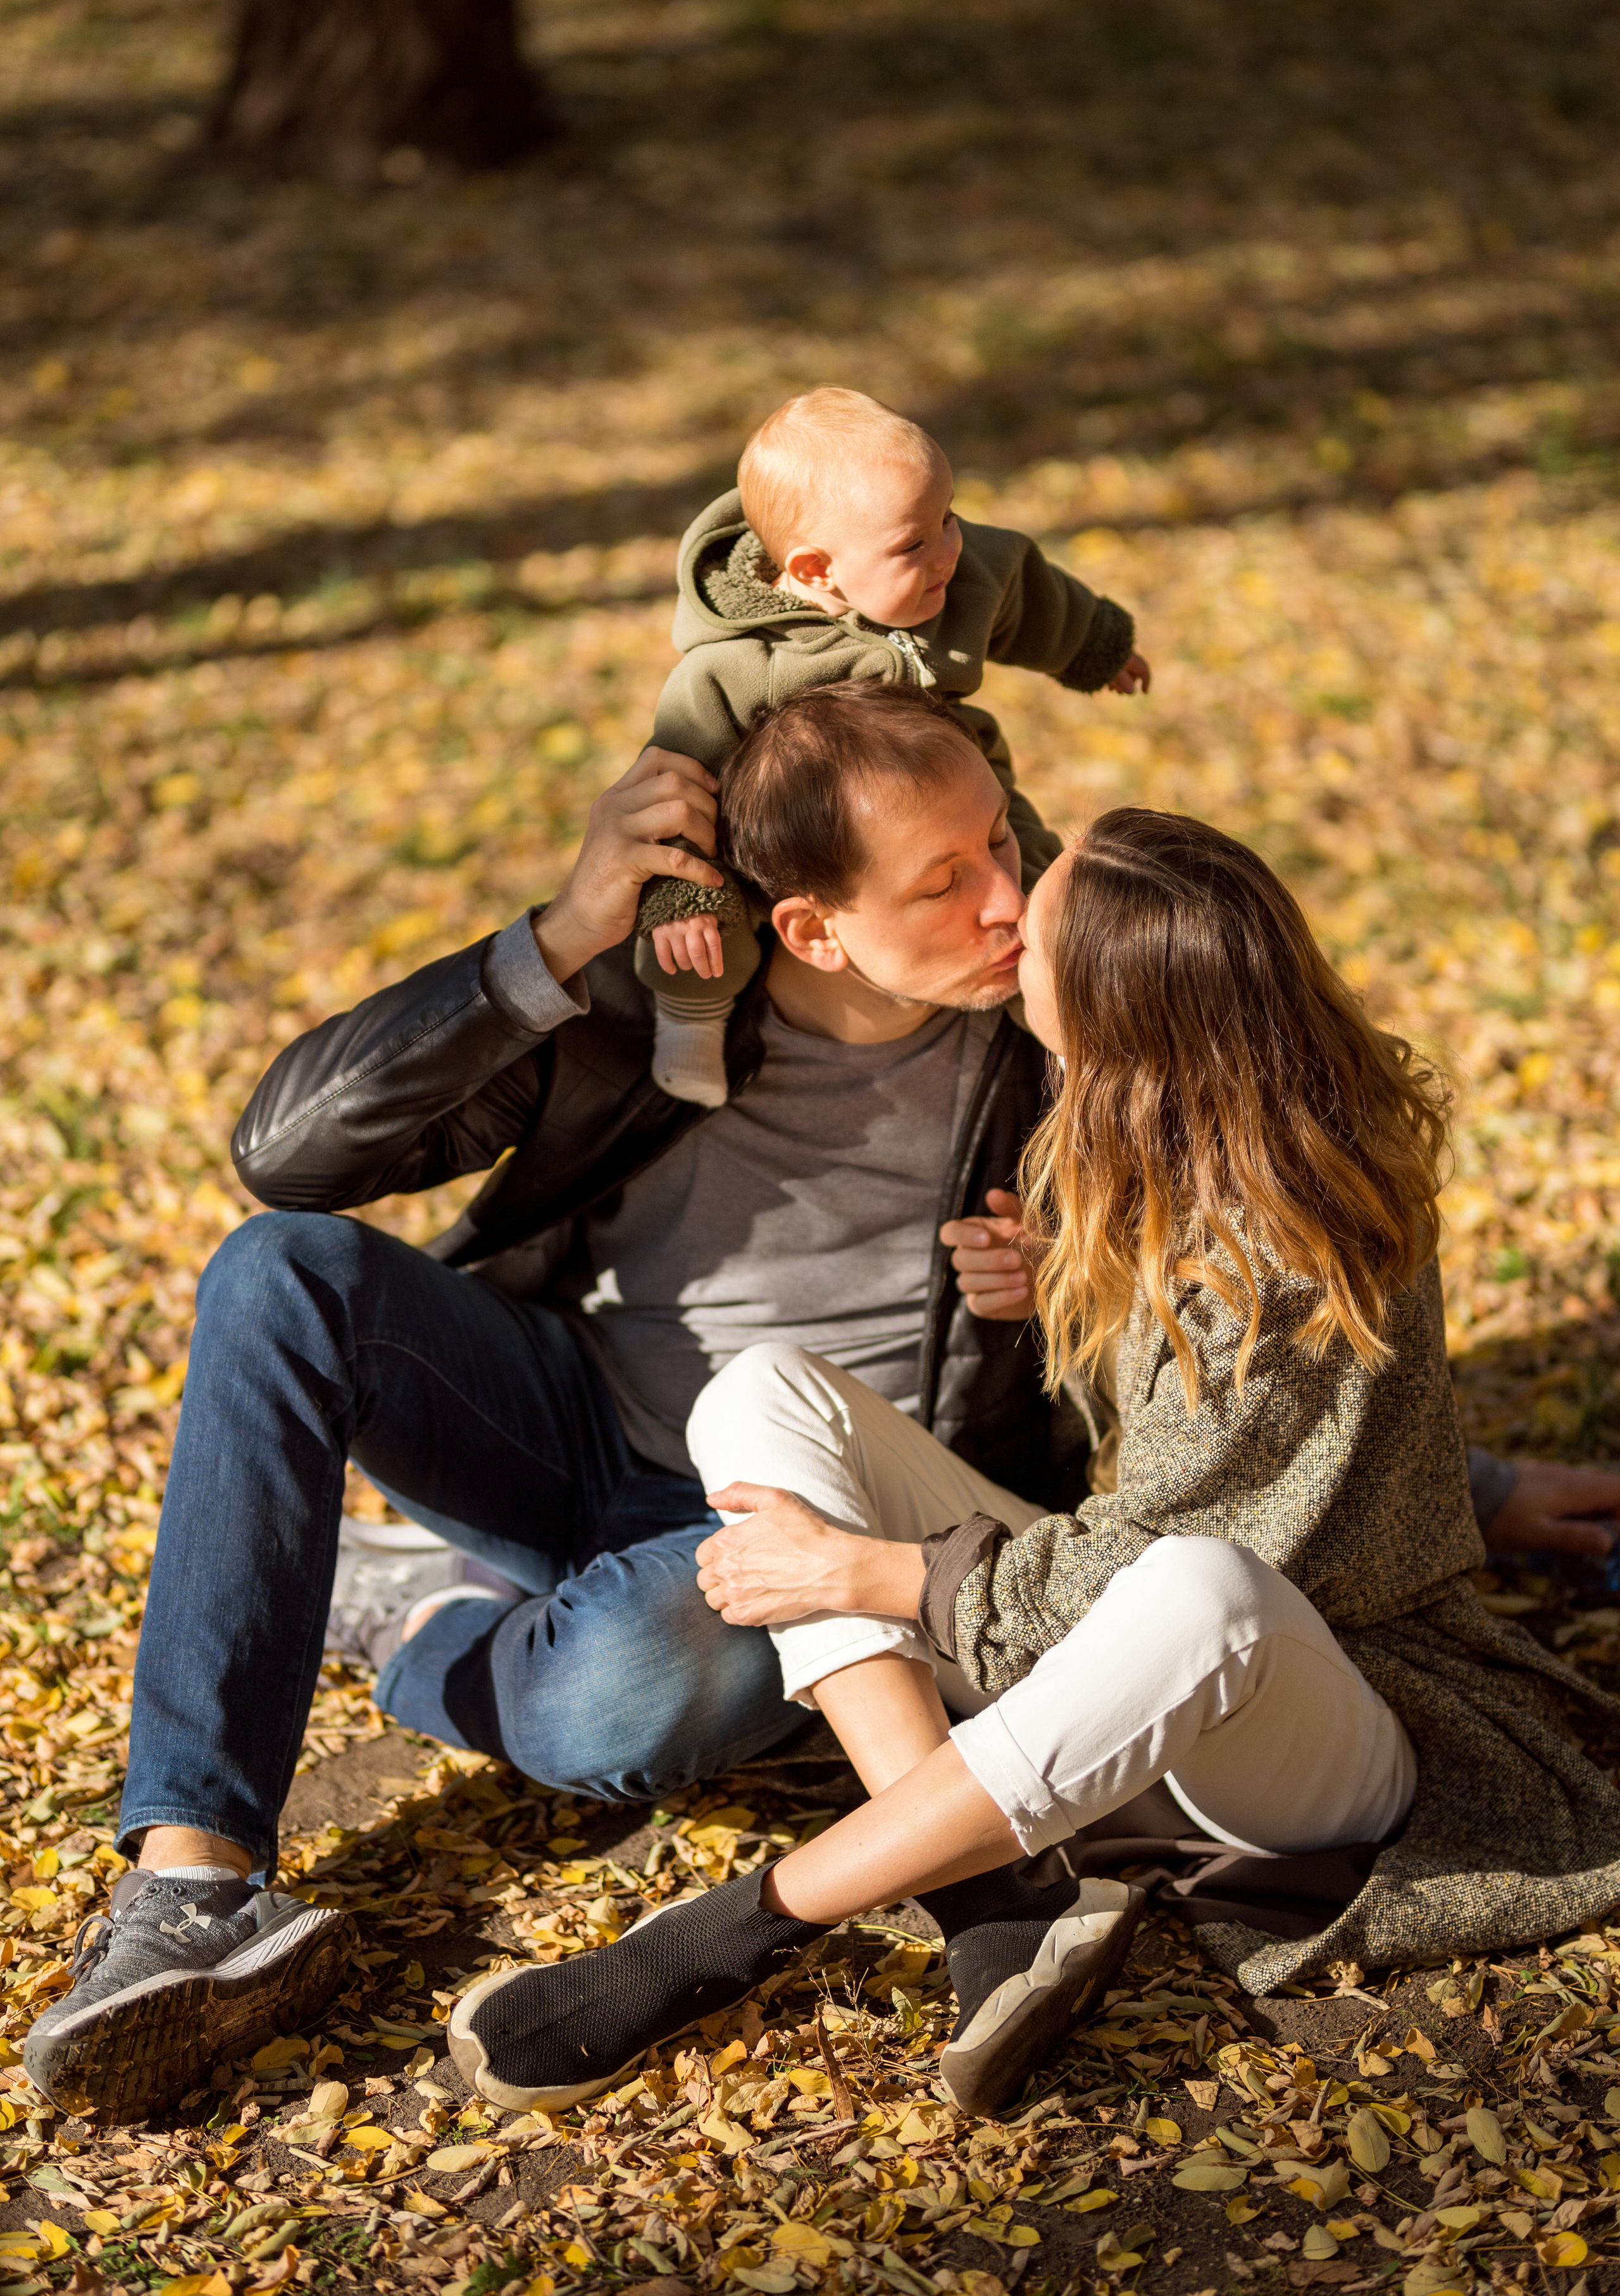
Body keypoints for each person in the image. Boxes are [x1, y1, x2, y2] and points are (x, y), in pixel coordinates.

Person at [447, 808, 1620, 2121]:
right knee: (764, 1393)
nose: (1003, 917)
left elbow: (1204, 1534)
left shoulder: (1281, 1237)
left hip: (1330, 1708)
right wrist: (1054, 1304)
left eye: (1034, 918)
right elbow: (1171, 1448)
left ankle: (730, 1934)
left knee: (1198, 1595)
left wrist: (878, 1573)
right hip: (1124, 1638)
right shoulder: (1156, 1129)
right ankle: (985, 1891)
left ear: (1124, 1015)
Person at [22, 681, 1082, 2123]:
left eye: (1002, 846)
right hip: (568, 1418)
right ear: (811, 928)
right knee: (281, 1274)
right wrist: (561, 933)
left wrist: (1070, 1284)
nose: (1008, 900)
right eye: (946, 878)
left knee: (612, 1698)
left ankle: (414, 1621)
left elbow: (1223, 1328)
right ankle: (192, 1886)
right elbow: (287, 1153)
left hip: (788, 1535)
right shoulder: (662, 1001)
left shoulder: (1049, 1035)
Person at [633, 384, 1150, 1108]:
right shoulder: (736, 665)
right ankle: (690, 1022)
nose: (945, 552)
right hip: (768, 824)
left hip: (949, 778)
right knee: (698, 935)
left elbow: (1025, 596)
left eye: (947, 518)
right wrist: (684, 885)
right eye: (914, 542)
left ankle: (1064, 1039)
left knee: (1025, 884)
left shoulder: (952, 572)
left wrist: (1093, 646)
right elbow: (678, 774)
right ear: (818, 571)